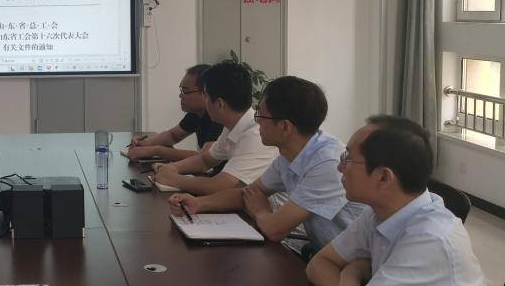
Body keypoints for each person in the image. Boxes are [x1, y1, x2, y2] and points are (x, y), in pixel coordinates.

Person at [306, 115, 500, 286]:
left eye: (348, 158)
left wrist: (351, 273)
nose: (340, 167)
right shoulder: (380, 212)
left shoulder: (432, 237)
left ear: (384, 177)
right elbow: (319, 265)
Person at [169, 76, 365, 248]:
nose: (257, 122)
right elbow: (248, 193)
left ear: (285, 127)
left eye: (261, 115)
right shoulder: (290, 154)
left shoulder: (328, 164)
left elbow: (274, 230)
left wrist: (260, 211)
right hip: (324, 253)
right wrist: (198, 204)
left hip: (355, 266)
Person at [152, 61, 276, 195]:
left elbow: (220, 186)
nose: (205, 103)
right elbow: (204, 161)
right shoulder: (232, 126)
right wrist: (171, 168)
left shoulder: (255, 134)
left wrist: (173, 179)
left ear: (219, 104)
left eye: (206, 97)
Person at [126, 63, 223, 163]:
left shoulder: (218, 118)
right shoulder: (196, 114)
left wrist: (155, 150)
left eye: (185, 91)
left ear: (205, 93)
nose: (180, 95)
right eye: (181, 90)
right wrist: (145, 143)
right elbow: (172, 135)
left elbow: (204, 157)